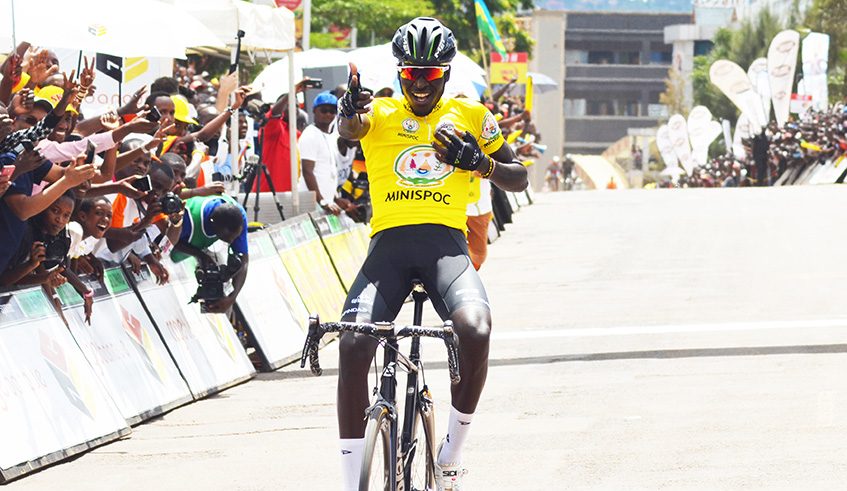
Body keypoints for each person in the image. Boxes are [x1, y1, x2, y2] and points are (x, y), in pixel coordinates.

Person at [334, 17, 528, 491]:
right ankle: (348, 481)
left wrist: (479, 163)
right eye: (410, 73)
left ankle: (451, 456)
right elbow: (350, 127)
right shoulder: (380, 111)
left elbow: (518, 176)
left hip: (446, 247)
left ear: (446, 73)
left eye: (431, 74)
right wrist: (348, 107)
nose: (419, 83)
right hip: (389, 249)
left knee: (476, 329)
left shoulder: (472, 116)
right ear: (399, 73)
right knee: (354, 342)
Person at [171, 194, 249, 314]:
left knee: (222, 285)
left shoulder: (239, 217)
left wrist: (232, 298)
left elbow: (244, 260)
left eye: (235, 237)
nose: (231, 241)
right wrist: (199, 255)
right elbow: (168, 242)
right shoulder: (188, 217)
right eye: (226, 238)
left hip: (206, 247)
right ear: (212, 224)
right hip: (174, 254)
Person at [299, 91, 341, 215]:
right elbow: (308, 172)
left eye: (332, 111)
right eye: (323, 110)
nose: (328, 114)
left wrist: (336, 199)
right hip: (313, 203)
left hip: (326, 203)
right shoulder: (310, 134)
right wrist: (322, 202)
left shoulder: (330, 136)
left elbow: (329, 171)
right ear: (314, 111)